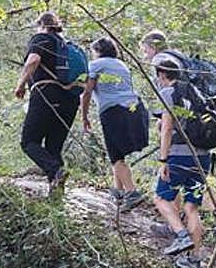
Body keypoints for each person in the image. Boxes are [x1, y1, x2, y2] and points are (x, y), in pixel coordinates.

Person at [153, 61, 211, 268]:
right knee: (191, 207)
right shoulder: (197, 92)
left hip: (179, 156)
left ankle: (181, 235)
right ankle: (195, 261)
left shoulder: (169, 92)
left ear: (162, 74)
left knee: (161, 198)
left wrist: (163, 160)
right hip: (203, 158)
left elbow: (167, 128)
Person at [79, 37, 149, 211]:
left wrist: (84, 117)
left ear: (98, 51)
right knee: (117, 152)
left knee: (116, 156)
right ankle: (118, 190)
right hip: (134, 108)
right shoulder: (121, 65)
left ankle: (132, 192)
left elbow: (87, 93)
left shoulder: (95, 65)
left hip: (113, 111)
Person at [14, 11, 79, 194]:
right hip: (71, 99)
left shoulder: (41, 38)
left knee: (29, 141)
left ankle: (56, 171)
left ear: (42, 25)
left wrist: (20, 85)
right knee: (53, 147)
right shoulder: (66, 44)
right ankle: (57, 193)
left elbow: (33, 60)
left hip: (46, 93)